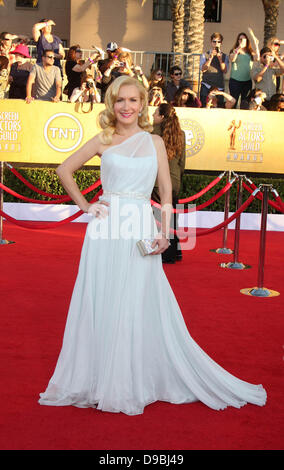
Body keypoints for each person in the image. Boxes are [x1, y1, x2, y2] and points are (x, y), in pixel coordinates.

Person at [38, 75, 266, 415]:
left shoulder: (154, 142)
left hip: (141, 226)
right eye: (120, 100)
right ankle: (100, 378)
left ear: (143, 104)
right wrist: (87, 206)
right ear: (111, 104)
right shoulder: (103, 139)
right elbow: (64, 170)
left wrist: (165, 231)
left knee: (138, 300)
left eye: (133, 100)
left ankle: (131, 377)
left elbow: (167, 192)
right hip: (107, 228)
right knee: (103, 298)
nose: (126, 106)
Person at [152, 103, 185, 263]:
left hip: (159, 182)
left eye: (155, 114)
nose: (152, 117)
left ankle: (166, 253)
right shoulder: (181, 134)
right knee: (172, 218)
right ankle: (175, 251)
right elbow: (182, 163)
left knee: (160, 220)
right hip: (175, 181)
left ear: (162, 117)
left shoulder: (153, 134)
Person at [200, 32, 229, 107]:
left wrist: (220, 59)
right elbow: (203, 69)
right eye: (214, 41)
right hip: (206, 85)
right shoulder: (205, 55)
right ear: (211, 42)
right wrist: (210, 58)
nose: (216, 44)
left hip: (219, 86)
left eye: (218, 42)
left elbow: (225, 70)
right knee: (204, 106)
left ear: (221, 43)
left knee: (219, 107)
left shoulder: (225, 56)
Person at [229, 32, 257, 107]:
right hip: (235, 81)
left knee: (245, 104)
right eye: (240, 39)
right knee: (233, 102)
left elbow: (257, 58)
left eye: (244, 39)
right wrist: (239, 48)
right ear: (238, 41)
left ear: (247, 41)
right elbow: (232, 59)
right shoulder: (234, 50)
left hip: (247, 82)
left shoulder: (250, 52)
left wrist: (256, 44)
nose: (242, 41)